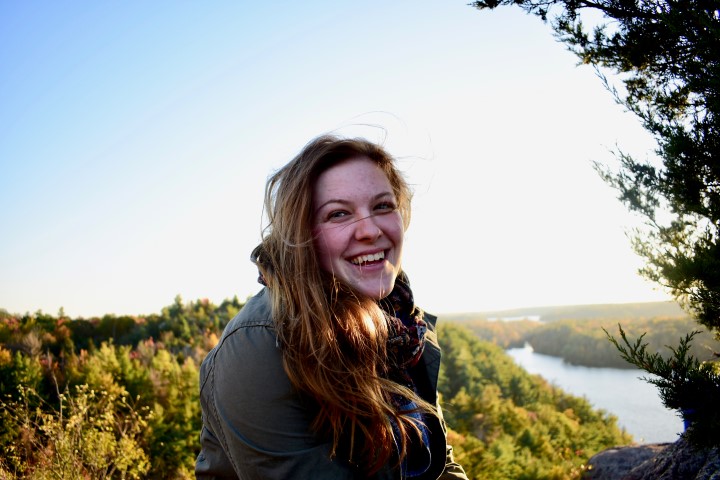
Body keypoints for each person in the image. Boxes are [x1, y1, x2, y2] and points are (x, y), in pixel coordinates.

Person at [195, 135, 468, 479]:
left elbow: (438, 462)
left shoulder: (403, 325)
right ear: (302, 234)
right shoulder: (260, 348)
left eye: (383, 206)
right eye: (339, 214)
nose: (369, 230)